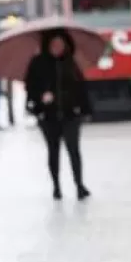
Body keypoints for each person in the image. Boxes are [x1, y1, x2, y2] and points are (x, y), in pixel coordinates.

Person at [25, 30, 92, 201]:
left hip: (71, 114)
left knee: (74, 150)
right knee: (53, 151)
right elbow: (30, 87)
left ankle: (79, 185)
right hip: (48, 116)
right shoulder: (38, 63)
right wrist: (41, 98)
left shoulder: (71, 63)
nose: (58, 48)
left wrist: (85, 109)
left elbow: (80, 88)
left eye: (61, 45)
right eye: (54, 44)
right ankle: (56, 186)